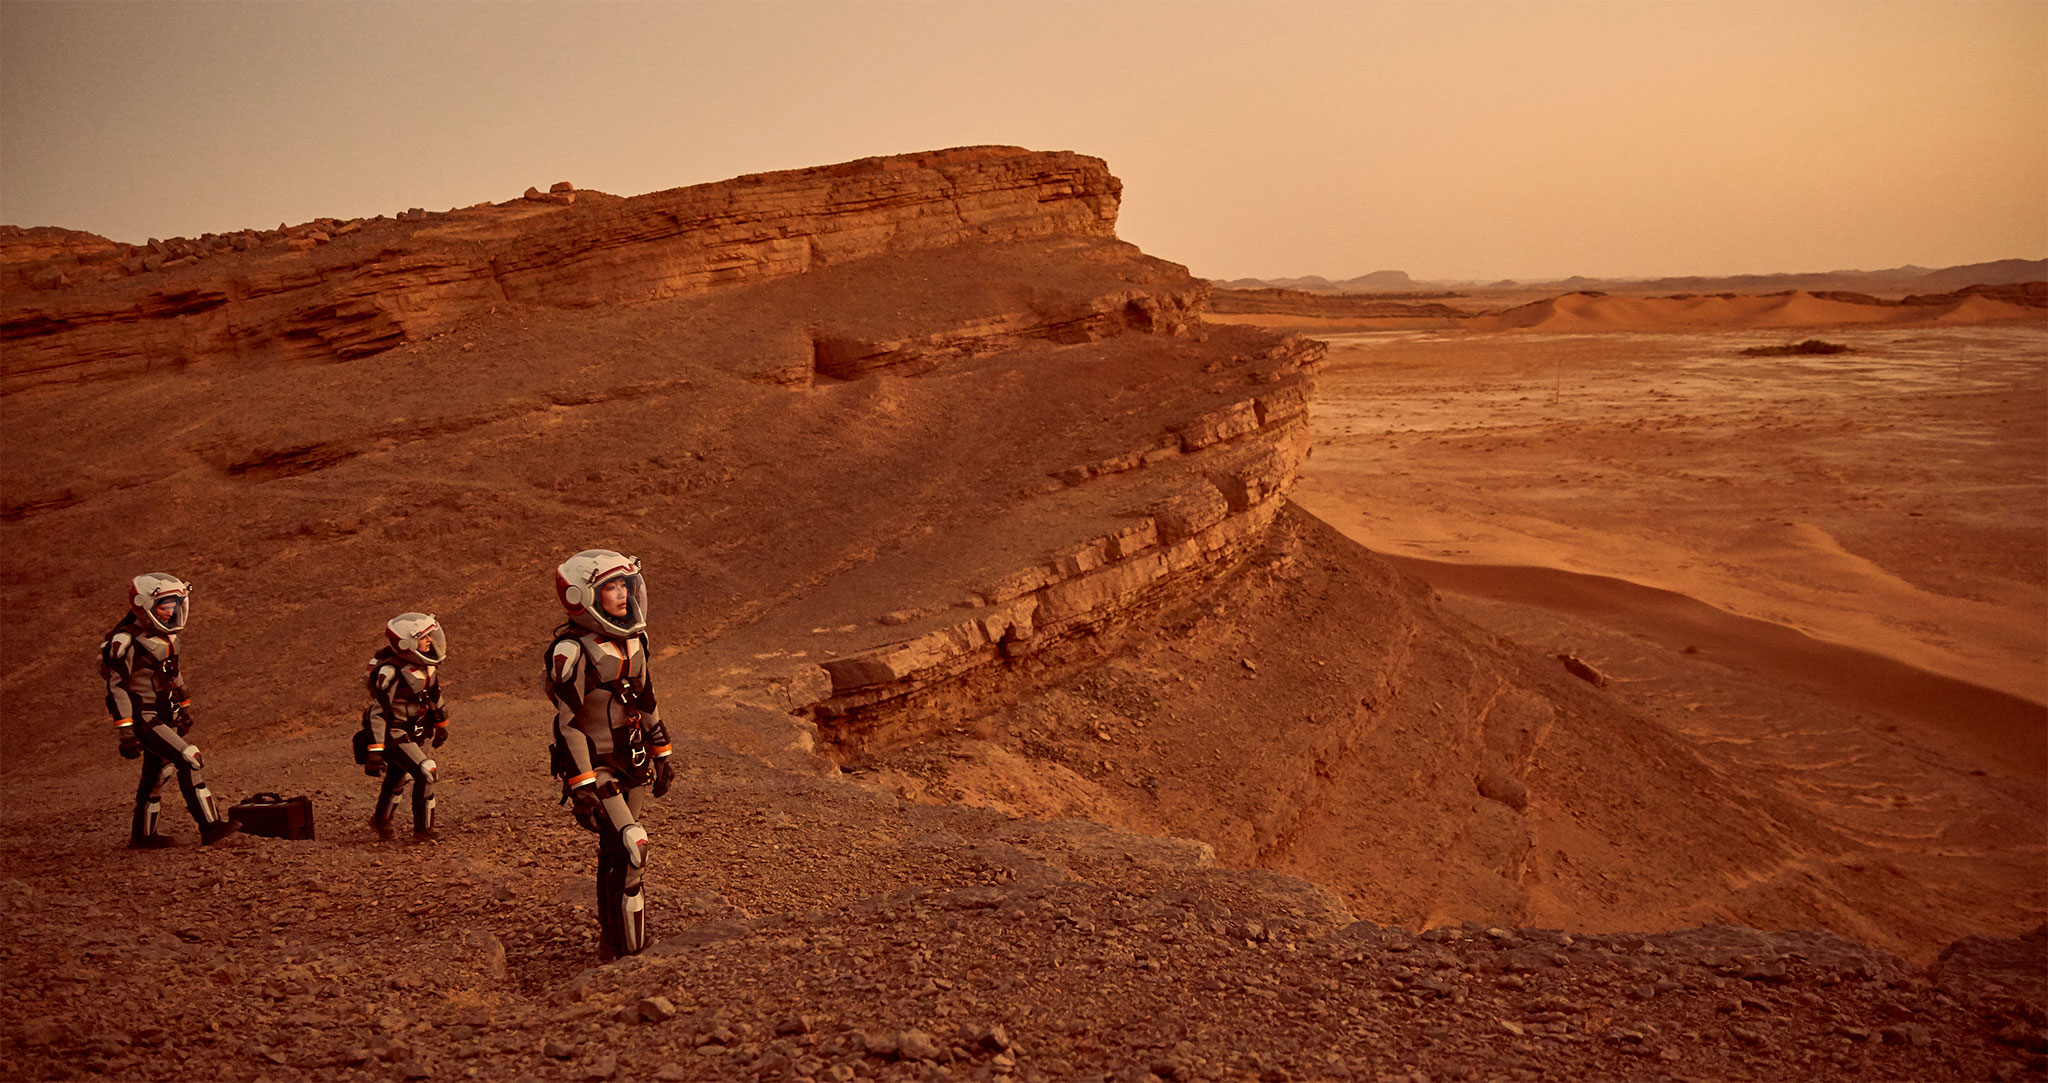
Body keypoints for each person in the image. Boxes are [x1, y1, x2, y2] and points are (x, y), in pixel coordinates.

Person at [544, 550, 675, 958]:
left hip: (633, 759)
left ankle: (612, 943)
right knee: (635, 844)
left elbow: (646, 698)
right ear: (581, 597)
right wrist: (581, 785)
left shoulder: (636, 640)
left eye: (624, 585)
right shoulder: (571, 651)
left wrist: (661, 751)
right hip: (599, 765)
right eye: (611, 588)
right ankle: (633, 950)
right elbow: (568, 724)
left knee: (616, 851)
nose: (622, 594)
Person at [101, 573, 238, 847]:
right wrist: (126, 731)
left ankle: (143, 836)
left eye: (174, 605)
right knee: (189, 758)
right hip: (144, 716)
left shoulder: (166, 638)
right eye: (164, 606)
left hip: (163, 714)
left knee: (156, 776)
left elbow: (172, 674)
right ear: (144, 606)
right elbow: (117, 688)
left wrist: (183, 707)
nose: (171, 611)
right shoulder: (125, 641)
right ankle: (210, 826)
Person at [361, 613, 450, 840]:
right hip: (394, 733)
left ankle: (380, 821)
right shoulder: (390, 671)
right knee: (426, 770)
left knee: (398, 777)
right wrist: (375, 750)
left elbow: (434, 696)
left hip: (411, 732)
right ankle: (423, 830)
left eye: (430, 636)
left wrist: (441, 725)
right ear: (406, 643)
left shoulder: (427, 666)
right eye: (423, 638)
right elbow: (377, 712)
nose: (429, 641)